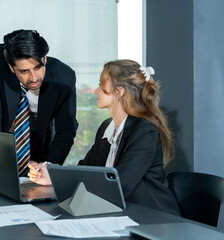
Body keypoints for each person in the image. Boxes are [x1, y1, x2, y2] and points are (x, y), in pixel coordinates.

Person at [28, 59, 181, 215]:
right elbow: (85, 168)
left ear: (119, 92)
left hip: (153, 217)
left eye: (101, 85)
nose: (96, 91)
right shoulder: (106, 128)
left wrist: (59, 179)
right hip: (119, 211)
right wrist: (52, 175)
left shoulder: (145, 131)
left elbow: (121, 184)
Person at [0, 29, 78, 176]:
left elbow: (66, 129)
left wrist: (48, 167)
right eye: (24, 71)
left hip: (38, 152)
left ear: (45, 59)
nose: (34, 78)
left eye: (38, 67)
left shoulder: (64, 76)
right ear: (11, 67)